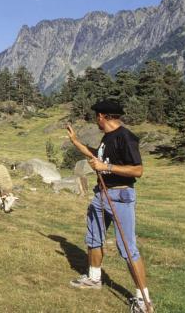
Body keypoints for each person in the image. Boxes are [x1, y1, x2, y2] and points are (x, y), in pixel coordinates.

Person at [66, 100, 153, 313]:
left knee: (128, 248)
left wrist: (107, 167)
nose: (96, 119)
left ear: (103, 116)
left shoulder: (126, 137)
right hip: (101, 195)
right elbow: (98, 156)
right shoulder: (108, 138)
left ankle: (143, 300)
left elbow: (137, 170)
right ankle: (94, 279)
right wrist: (76, 142)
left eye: (97, 115)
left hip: (120, 196)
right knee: (94, 237)